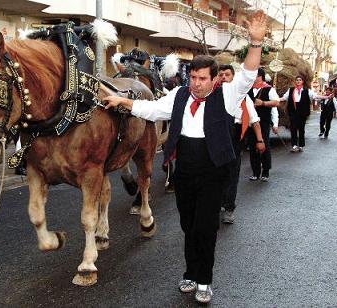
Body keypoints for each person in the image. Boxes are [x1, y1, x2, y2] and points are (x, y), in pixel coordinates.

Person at [103, 11, 267, 304]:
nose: (196, 83)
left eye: (202, 78)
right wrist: (123, 101)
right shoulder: (179, 95)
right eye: (193, 77)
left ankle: (204, 279)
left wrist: (255, 42)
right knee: (188, 226)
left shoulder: (228, 95)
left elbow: (248, 74)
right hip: (185, 171)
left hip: (213, 170)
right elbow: (152, 110)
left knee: (206, 227)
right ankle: (190, 273)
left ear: (214, 79)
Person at [218, 64, 265, 224]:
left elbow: (255, 121)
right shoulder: (213, 96)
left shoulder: (244, 98)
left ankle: (229, 208)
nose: (223, 77)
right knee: (215, 174)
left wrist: (260, 140)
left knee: (231, 175)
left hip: (234, 138)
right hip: (216, 138)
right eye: (221, 74)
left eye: (227, 75)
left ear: (233, 78)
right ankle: (217, 203)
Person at [280, 76, 330, 152]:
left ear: (302, 81)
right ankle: (294, 145)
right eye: (297, 80)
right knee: (293, 128)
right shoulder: (291, 90)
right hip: (293, 112)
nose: (298, 81)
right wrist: (274, 99)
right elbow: (284, 98)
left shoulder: (307, 91)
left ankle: (301, 145)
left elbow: (315, 96)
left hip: (302, 112)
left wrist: (326, 97)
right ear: (295, 81)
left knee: (301, 129)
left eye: (300, 80)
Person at [246, 68, 280, 182]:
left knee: (264, 145)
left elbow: (276, 102)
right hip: (250, 122)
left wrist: (263, 103)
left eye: (255, 75)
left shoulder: (269, 89)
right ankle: (255, 172)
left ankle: (265, 171)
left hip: (263, 122)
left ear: (260, 76)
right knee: (252, 146)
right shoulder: (248, 89)